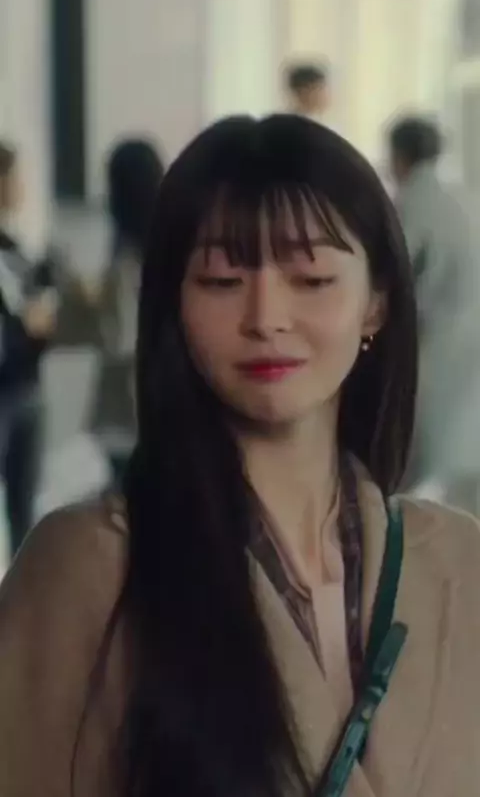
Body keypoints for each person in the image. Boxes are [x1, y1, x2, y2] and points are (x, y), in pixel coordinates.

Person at [0, 115, 479, 797]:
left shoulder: (458, 562)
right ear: (174, 304)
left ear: (376, 303)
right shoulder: (88, 567)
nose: (266, 318)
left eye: (312, 278)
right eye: (223, 280)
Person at [388, 115, 480, 509]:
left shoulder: (412, 204)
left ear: (398, 156)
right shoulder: (466, 199)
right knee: (462, 452)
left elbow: (394, 274)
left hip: (437, 343)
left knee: (418, 451)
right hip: (468, 341)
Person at [88, 138, 165, 488]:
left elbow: (119, 337)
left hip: (129, 408)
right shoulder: (173, 245)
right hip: (168, 400)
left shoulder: (125, 256)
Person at [0, 143, 57, 557]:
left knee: (24, 508)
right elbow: (34, 319)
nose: (20, 187)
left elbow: (41, 322)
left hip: (27, 386)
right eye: (13, 177)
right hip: (7, 390)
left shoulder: (15, 250)